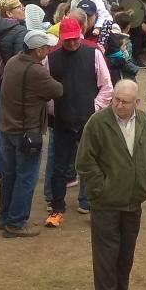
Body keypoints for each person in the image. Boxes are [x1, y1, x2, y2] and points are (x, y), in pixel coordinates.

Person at [76, 79, 146, 290]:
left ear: (137, 102)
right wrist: (101, 188)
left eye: (125, 102)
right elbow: (84, 162)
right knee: (105, 261)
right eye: (115, 100)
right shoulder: (97, 123)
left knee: (125, 258)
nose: (119, 105)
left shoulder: (144, 121)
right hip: (106, 205)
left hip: (133, 203)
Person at [45, 17, 114, 228]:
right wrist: (55, 111)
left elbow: (106, 86)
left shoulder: (94, 54)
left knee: (93, 164)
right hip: (63, 120)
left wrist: (93, 108)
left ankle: (92, 205)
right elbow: (47, 90)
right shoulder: (52, 58)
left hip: (89, 120)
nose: (72, 43)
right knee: (59, 166)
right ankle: (57, 209)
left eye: (74, 39)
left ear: (80, 35)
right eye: (67, 40)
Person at [0, 30, 63, 237]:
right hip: (27, 131)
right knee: (26, 177)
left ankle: (5, 217)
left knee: (9, 175)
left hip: (7, 127)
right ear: (38, 50)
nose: (49, 50)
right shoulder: (36, 71)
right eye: (46, 47)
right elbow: (57, 90)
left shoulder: (13, 62)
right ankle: (16, 223)